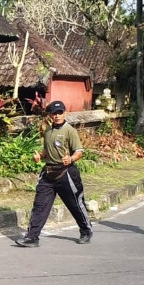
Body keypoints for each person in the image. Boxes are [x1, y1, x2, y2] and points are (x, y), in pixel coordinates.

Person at [16, 100, 93, 247]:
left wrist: (70, 159)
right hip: (48, 173)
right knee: (40, 205)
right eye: (54, 113)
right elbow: (47, 150)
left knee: (75, 204)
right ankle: (32, 237)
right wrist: (40, 156)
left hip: (66, 173)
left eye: (60, 112)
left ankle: (86, 231)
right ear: (50, 115)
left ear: (65, 113)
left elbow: (79, 152)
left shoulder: (70, 131)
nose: (57, 116)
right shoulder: (48, 131)